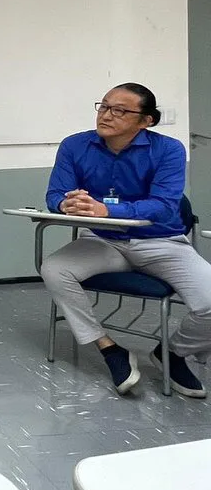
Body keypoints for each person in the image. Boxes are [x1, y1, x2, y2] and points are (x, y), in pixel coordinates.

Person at [42, 83, 211, 398]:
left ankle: (171, 353)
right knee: (54, 268)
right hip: (104, 241)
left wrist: (107, 209)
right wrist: (66, 204)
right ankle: (110, 350)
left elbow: (163, 205)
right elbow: (55, 193)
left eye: (119, 110)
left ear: (146, 120)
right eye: (103, 106)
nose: (106, 115)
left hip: (162, 242)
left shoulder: (168, 149)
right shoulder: (75, 145)